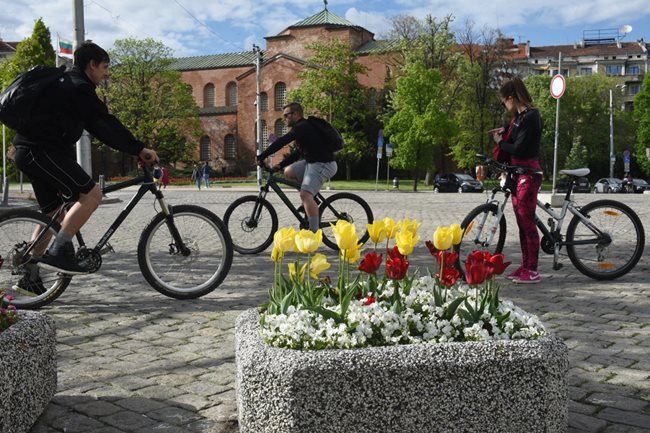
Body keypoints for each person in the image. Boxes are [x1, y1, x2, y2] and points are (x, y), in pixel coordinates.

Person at [12, 41, 158, 285]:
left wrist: (133, 147)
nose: (106, 73)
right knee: (92, 195)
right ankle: (59, 252)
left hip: (29, 151)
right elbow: (104, 124)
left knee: (53, 216)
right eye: (104, 67)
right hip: (40, 152)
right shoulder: (78, 87)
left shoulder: (67, 85)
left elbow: (96, 125)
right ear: (91, 64)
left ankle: (30, 274)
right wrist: (139, 148)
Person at [491, 77, 543, 284]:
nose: (505, 105)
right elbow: (513, 142)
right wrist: (504, 135)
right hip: (517, 174)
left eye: (505, 101)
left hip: (529, 174)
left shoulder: (531, 116)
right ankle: (525, 265)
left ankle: (533, 269)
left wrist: (501, 143)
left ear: (511, 98)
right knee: (522, 223)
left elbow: (520, 148)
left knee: (527, 222)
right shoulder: (518, 119)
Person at [256, 102, 337, 232]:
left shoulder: (302, 127)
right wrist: (281, 165)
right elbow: (297, 153)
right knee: (289, 172)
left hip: (324, 164)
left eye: (286, 115)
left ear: (296, 114)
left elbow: (281, 141)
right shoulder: (303, 129)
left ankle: (313, 232)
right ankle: (310, 200)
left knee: (305, 194)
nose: (284, 119)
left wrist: (262, 155)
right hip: (312, 162)